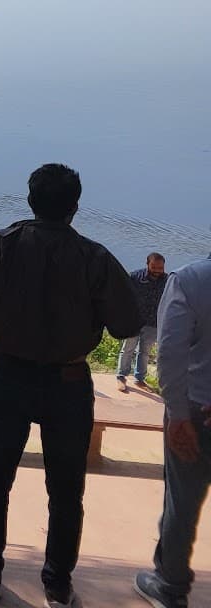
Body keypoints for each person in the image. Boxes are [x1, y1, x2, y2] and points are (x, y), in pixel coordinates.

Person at [0, 163, 141, 607]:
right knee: (67, 488)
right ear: (75, 206)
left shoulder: (3, 244)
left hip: (9, 375)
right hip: (69, 382)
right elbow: (127, 322)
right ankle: (57, 583)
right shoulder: (95, 258)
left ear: (31, 201)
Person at [135, 255, 211, 608]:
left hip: (194, 409)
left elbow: (169, 351)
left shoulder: (189, 279)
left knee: (182, 502)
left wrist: (178, 415)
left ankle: (170, 586)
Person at [118, 252, 169, 393]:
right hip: (134, 319)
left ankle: (139, 379)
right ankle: (121, 377)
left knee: (145, 351)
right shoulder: (135, 277)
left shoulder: (168, 280)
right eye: (154, 267)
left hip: (153, 322)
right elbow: (123, 294)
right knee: (128, 348)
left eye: (160, 268)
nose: (157, 270)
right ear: (147, 264)